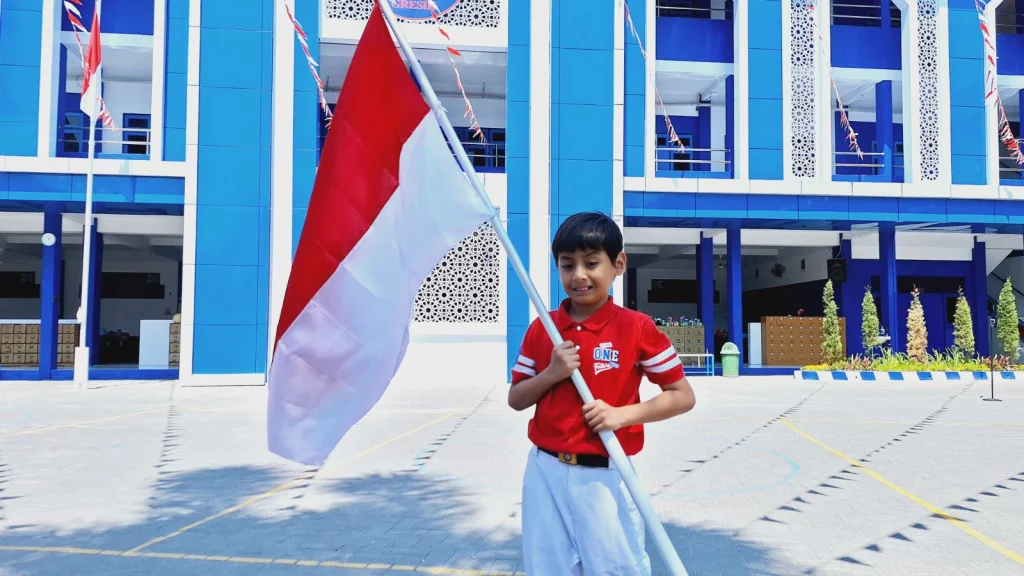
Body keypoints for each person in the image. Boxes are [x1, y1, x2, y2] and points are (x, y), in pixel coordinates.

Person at [508, 211, 697, 575]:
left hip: (606, 473)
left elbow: (682, 395)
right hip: (545, 470)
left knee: (617, 567)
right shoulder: (543, 328)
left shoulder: (637, 327)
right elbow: (517, 398)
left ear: (618, 264)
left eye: (591, 263)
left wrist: (621, 415)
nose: (578, 275)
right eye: (567, 266)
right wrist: (552, 373)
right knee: (547, 566)